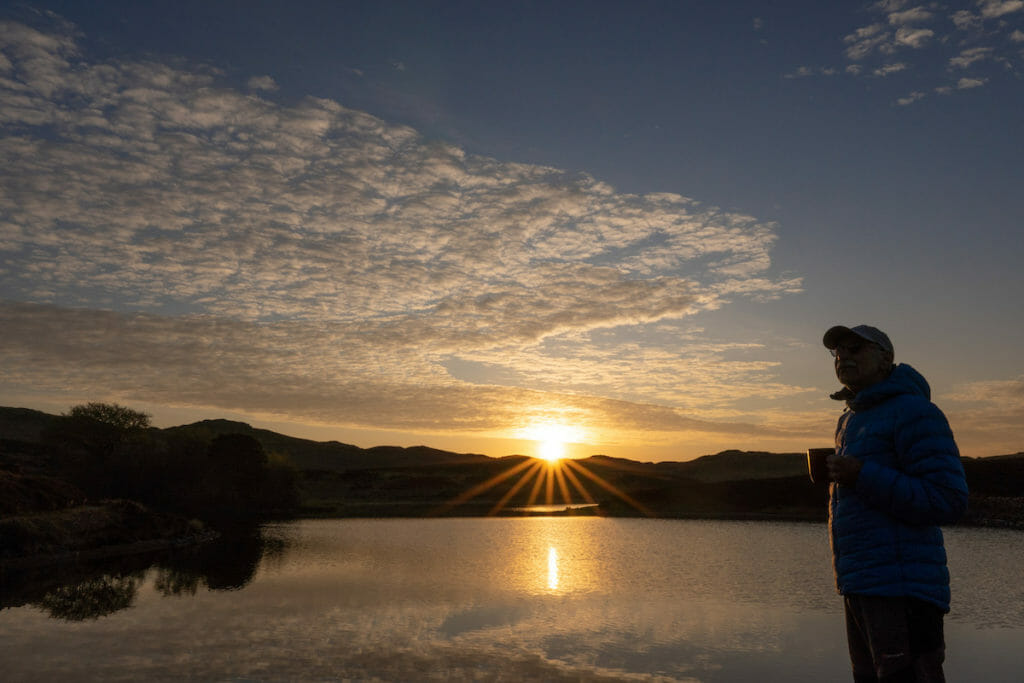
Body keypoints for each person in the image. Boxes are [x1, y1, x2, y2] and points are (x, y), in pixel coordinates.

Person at [822, 324, 968, 683]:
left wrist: (862, 476)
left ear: (886, 359)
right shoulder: (850, 420)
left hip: (903, 591)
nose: (844, 356)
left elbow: (947, 499)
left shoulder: (915, 412)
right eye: (838, 351)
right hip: (860, 584)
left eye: (856, 347)